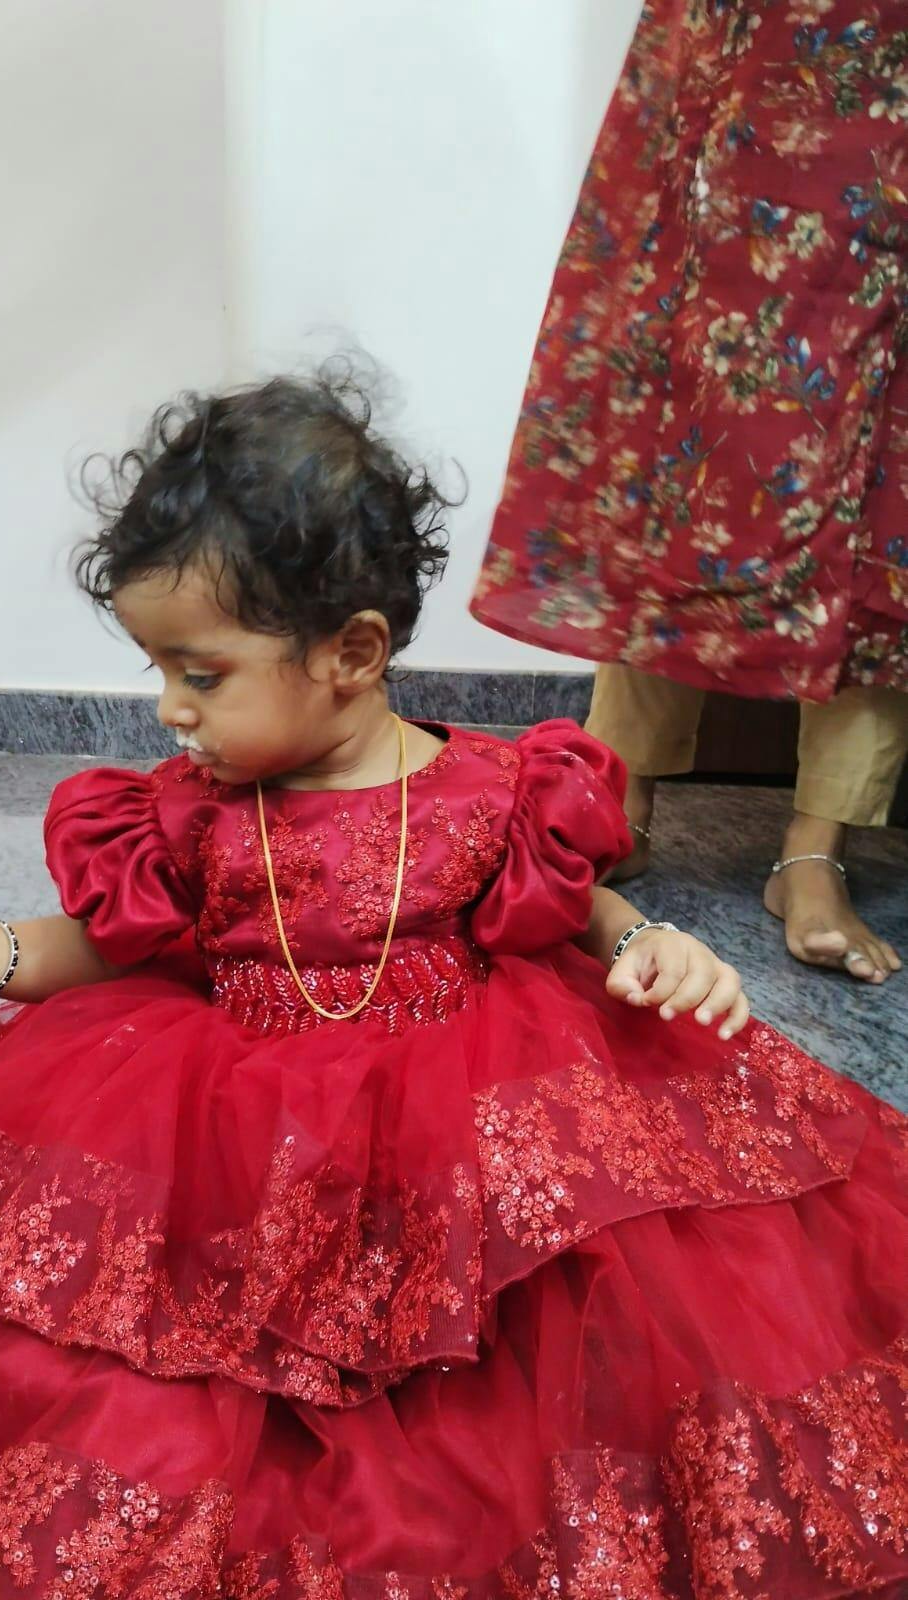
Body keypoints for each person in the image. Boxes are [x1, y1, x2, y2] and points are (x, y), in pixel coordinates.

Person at [0, 372, 905, 1599]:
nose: (169, 711)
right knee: (141, 1362)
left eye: (201, 674)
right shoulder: (189, 814)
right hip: (236, 1122)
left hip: (463, 1112)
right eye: (159, 671)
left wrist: (645, 937)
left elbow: (567, 905)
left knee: (598, 1309)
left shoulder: (498, 787)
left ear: (352, 652)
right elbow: (116, 946)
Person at [471, 0, 908, 986]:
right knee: (682, 455)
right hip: (750, 72)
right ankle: (614, 804)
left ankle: (813, 852)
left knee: (891, 486)